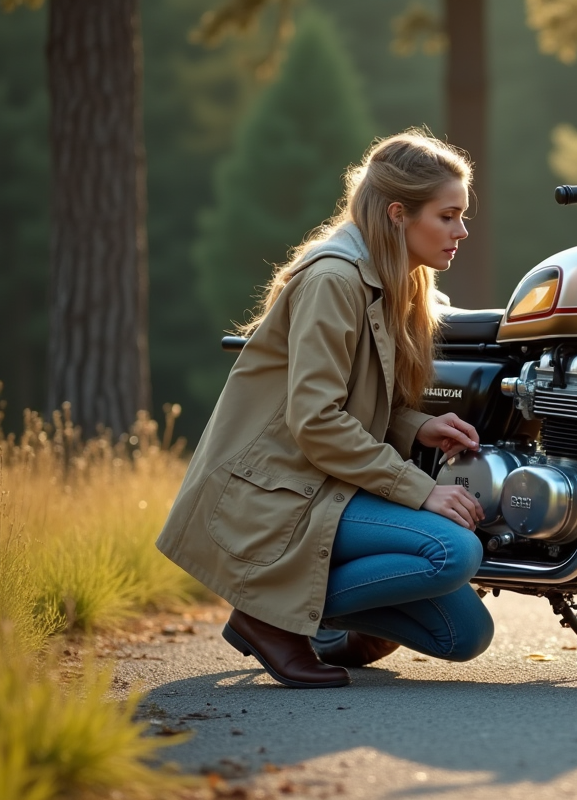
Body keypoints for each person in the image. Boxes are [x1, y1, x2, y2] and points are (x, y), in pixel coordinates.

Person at [157, 130, 492, 688]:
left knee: (461, 636)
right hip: (283, 489)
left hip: (330, 483)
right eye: (448, 215)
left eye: (462, 215)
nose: (461, 231)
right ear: (397, 214)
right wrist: (422, 490)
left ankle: (313, 619)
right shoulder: (334, 279)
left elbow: (355, 402)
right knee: (453, 551)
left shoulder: (400, 281)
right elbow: (315, 422)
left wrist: (419, 425)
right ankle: (266, 615)